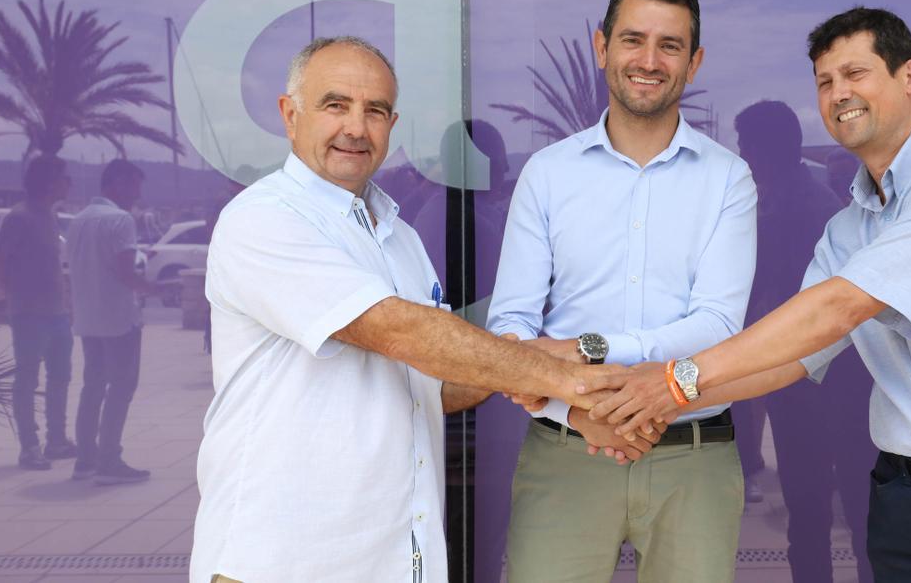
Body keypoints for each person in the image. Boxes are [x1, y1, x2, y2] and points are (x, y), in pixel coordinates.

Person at [585, 7, 911, 581]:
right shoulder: (846, 229)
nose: (839, 94)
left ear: (910, 77)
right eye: (825, 82)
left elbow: (837, 310)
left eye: (856, 74)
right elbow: (798, 355)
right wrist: (660, 402)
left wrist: (673, 380)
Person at [189, 36, 624, 583]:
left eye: (374, 111)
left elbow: (434, 381)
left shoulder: (397, 237)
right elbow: (402, 334)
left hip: (391, 556)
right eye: (335, 105)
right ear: (289, 113)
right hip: (281, 559)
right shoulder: (264, 219)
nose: (355, 127)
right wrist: (566, 381)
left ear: (392, 125)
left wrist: (536, 356)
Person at [487, 0, 757, 583]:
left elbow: (716, 325)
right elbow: (511, 329)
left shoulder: (728, 179)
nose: (649, 60)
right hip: (566, 452)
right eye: (633, 39)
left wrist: (591, 353)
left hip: (694, 459)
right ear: (601, 46)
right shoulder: (547, 174)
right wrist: (580, 410)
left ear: (694, 61)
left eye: (670, 45)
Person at [731, 100, 874, 583]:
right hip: (818, 382)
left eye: (745, 144)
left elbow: (773, 300)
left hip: (820, 385)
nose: (741, 154)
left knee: (827, 512)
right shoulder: (798, 200)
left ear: (764, 149)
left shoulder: (798, 210)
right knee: (836, 511)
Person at [67, 159, 165, 485]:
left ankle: (85, 459)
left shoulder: (79, 220)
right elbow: (126, 273)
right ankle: (109, 460)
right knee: (121, 388)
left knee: (92, 386)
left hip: (87, 317)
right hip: (120, 319)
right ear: (118, 183)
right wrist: (156, 289)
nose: (137, 195)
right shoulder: (121, 220)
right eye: (134, 186)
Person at [0, 155, 77, 470]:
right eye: (64, 177)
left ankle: (56, 440)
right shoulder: (19, 217)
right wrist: (14, 294)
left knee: (60, 377)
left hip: (57, 314)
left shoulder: (49, 215)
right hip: (29, 314)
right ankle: (30, 446)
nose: (69, 183)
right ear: (49, 180)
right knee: (27, 380)